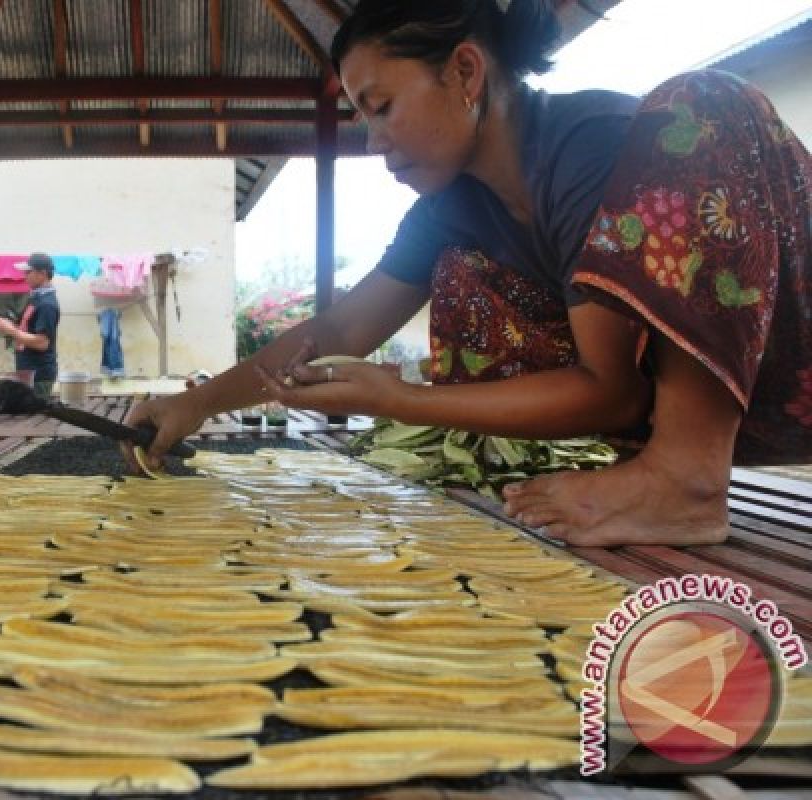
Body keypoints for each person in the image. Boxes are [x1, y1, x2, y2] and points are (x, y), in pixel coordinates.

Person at [127, 0, 811, 548]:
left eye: (382, 105)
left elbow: (612, 394)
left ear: (464, 72)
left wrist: (398, 400)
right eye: (361, 116)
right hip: (686, 418)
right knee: (461, 274)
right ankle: (641, 470)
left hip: (781, 371)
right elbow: (339, 326)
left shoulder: (594, 145)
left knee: (699, 104)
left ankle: (683, 482)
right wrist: (196, 405)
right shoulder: (452, 206)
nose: (373, 139)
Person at [0, 253, 60, 401]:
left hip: (39, 375)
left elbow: (42, 343)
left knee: (36, 419)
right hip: (29, 371)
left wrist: (11, 331)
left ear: (42, 274)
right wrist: (12, 326)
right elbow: (29, 330)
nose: (25, 276)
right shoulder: (36, 298)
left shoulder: (47, 304)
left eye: (28, 272)